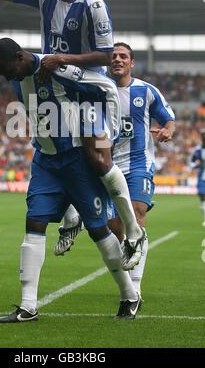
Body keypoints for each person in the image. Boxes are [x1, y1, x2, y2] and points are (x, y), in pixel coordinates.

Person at [0, 0, 145, 268]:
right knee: (53, 151)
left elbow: (107, 56)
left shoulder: (93, 5)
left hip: (86, 89)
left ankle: (133, 231)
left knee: (96, 156)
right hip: (53, 87)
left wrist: (63, 57)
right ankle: (71, 215)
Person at [0, 37, 141, 322]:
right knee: (34, 223)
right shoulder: (17, 76)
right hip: (45, 162)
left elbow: (106, 86)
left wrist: (110, 133)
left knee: (99, 231)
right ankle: (27, 305)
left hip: (76, 163)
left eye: (10, 71)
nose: (10, 78)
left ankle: (129, 295)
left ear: (21, 57)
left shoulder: (56, 68)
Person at [56, 42, 176, 301]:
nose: (118, 60)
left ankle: (135, 287)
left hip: (137, 165)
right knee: (114, 228)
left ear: (132, 63)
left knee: (136, 215)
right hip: (105, 165)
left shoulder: (146, 91)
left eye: (124, 56)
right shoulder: (95, 88)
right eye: (114, 56)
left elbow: (168, 118)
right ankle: (125, 262)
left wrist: (168, 130)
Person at [190, 129, 205, 226]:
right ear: (202, 139)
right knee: (202, 196)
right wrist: (195, 165)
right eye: (204, 138)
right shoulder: (197, 150)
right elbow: (191, 163)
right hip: (202, 177)